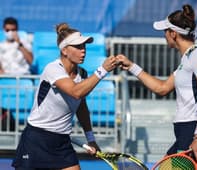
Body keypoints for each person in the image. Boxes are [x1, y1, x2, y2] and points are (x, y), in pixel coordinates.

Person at [116, 4, 197, 170]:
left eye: (165, 32)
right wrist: (132, 66)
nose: (164, 36)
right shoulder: (186, 60)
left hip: (193, 131)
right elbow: (162, 88)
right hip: (185, 132)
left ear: (173, 34)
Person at [12, 23, 118, 170]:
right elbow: (76, 92)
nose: (83, 51)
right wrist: (103, 70)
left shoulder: (82, 73)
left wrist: (91, 139)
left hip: (62, 142)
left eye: (84, 46)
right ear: (64, 50)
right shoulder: (53, 69)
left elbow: (81, 106)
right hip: (36, 139)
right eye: (78, 47)